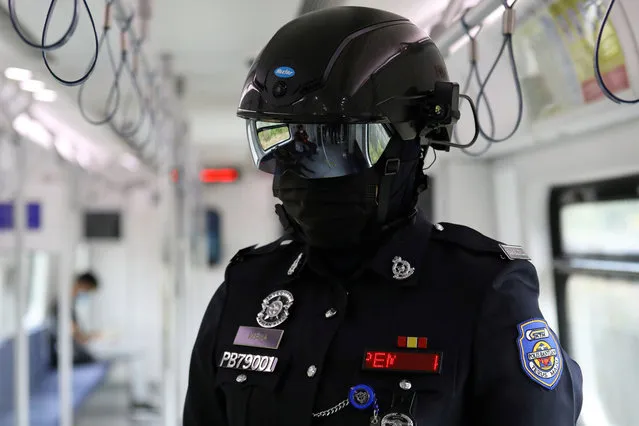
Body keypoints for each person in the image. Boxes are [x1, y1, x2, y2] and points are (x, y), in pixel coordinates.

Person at [184, 6, 583, 426]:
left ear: (408, 147)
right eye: (280, 146)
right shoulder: (245, 288)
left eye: (334, 145)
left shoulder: (482, 295)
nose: (295, 176)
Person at [49, 271, 159, 417]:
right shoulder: (62, 304)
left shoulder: (68, 302)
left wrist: (97, 335)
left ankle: (139, 398)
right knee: (137, 353)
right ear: (83, 285)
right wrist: (98, 336)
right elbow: (77, 336)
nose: (87, 294)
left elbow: (76, 333)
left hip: (82, 347)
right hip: (81, 352)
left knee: (134, 349)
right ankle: (139, 401)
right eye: (88, 291)